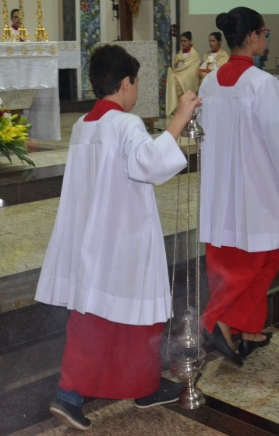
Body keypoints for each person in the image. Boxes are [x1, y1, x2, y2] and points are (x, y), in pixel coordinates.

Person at [36, 44, 201, 431]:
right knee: (123, 318)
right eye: (136, 82)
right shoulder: (124, 124)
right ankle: (70, 394)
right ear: (126, 83)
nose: (136, 88)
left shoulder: (83, 126)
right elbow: (152, 164)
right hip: (122, 235)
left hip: (91, 233)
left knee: (105, 317)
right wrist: (179, 119)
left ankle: (135, 385)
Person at [199, 7, 279, 366]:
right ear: (251, 37)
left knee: (233, 261)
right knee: (258, 260)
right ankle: (213, 321)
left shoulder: (209, 83)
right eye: (266, 32)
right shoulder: (264, 85)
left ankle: (246, 327)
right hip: (258, 190)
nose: (266, 38)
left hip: (222, 192)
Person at [165, 31, 200, 116]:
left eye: (185, 41)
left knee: (182, 80)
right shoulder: (179, 54)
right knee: (172, 78)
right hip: (178, 76)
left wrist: (181, 74)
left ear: (190, 41)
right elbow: (174, 66)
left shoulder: (194, 55)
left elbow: (192, 71)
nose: (183, 43)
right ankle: (176, 110)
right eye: (182, 41)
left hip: (187, 79)